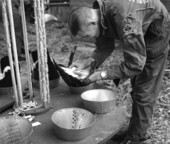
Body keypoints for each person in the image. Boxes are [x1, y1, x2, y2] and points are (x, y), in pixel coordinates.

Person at [68, 0, 170, 143]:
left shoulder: (125, 20)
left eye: (86, 36)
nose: (89, 39)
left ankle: (137, 138)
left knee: (144, 91)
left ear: (91, 22)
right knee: (137, 85)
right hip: (140, 24)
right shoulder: (100, 13)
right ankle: (135, 129)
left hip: (156, 33)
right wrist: (89, 63)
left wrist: (102, 75)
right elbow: (104, 46)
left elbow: (135, 64)